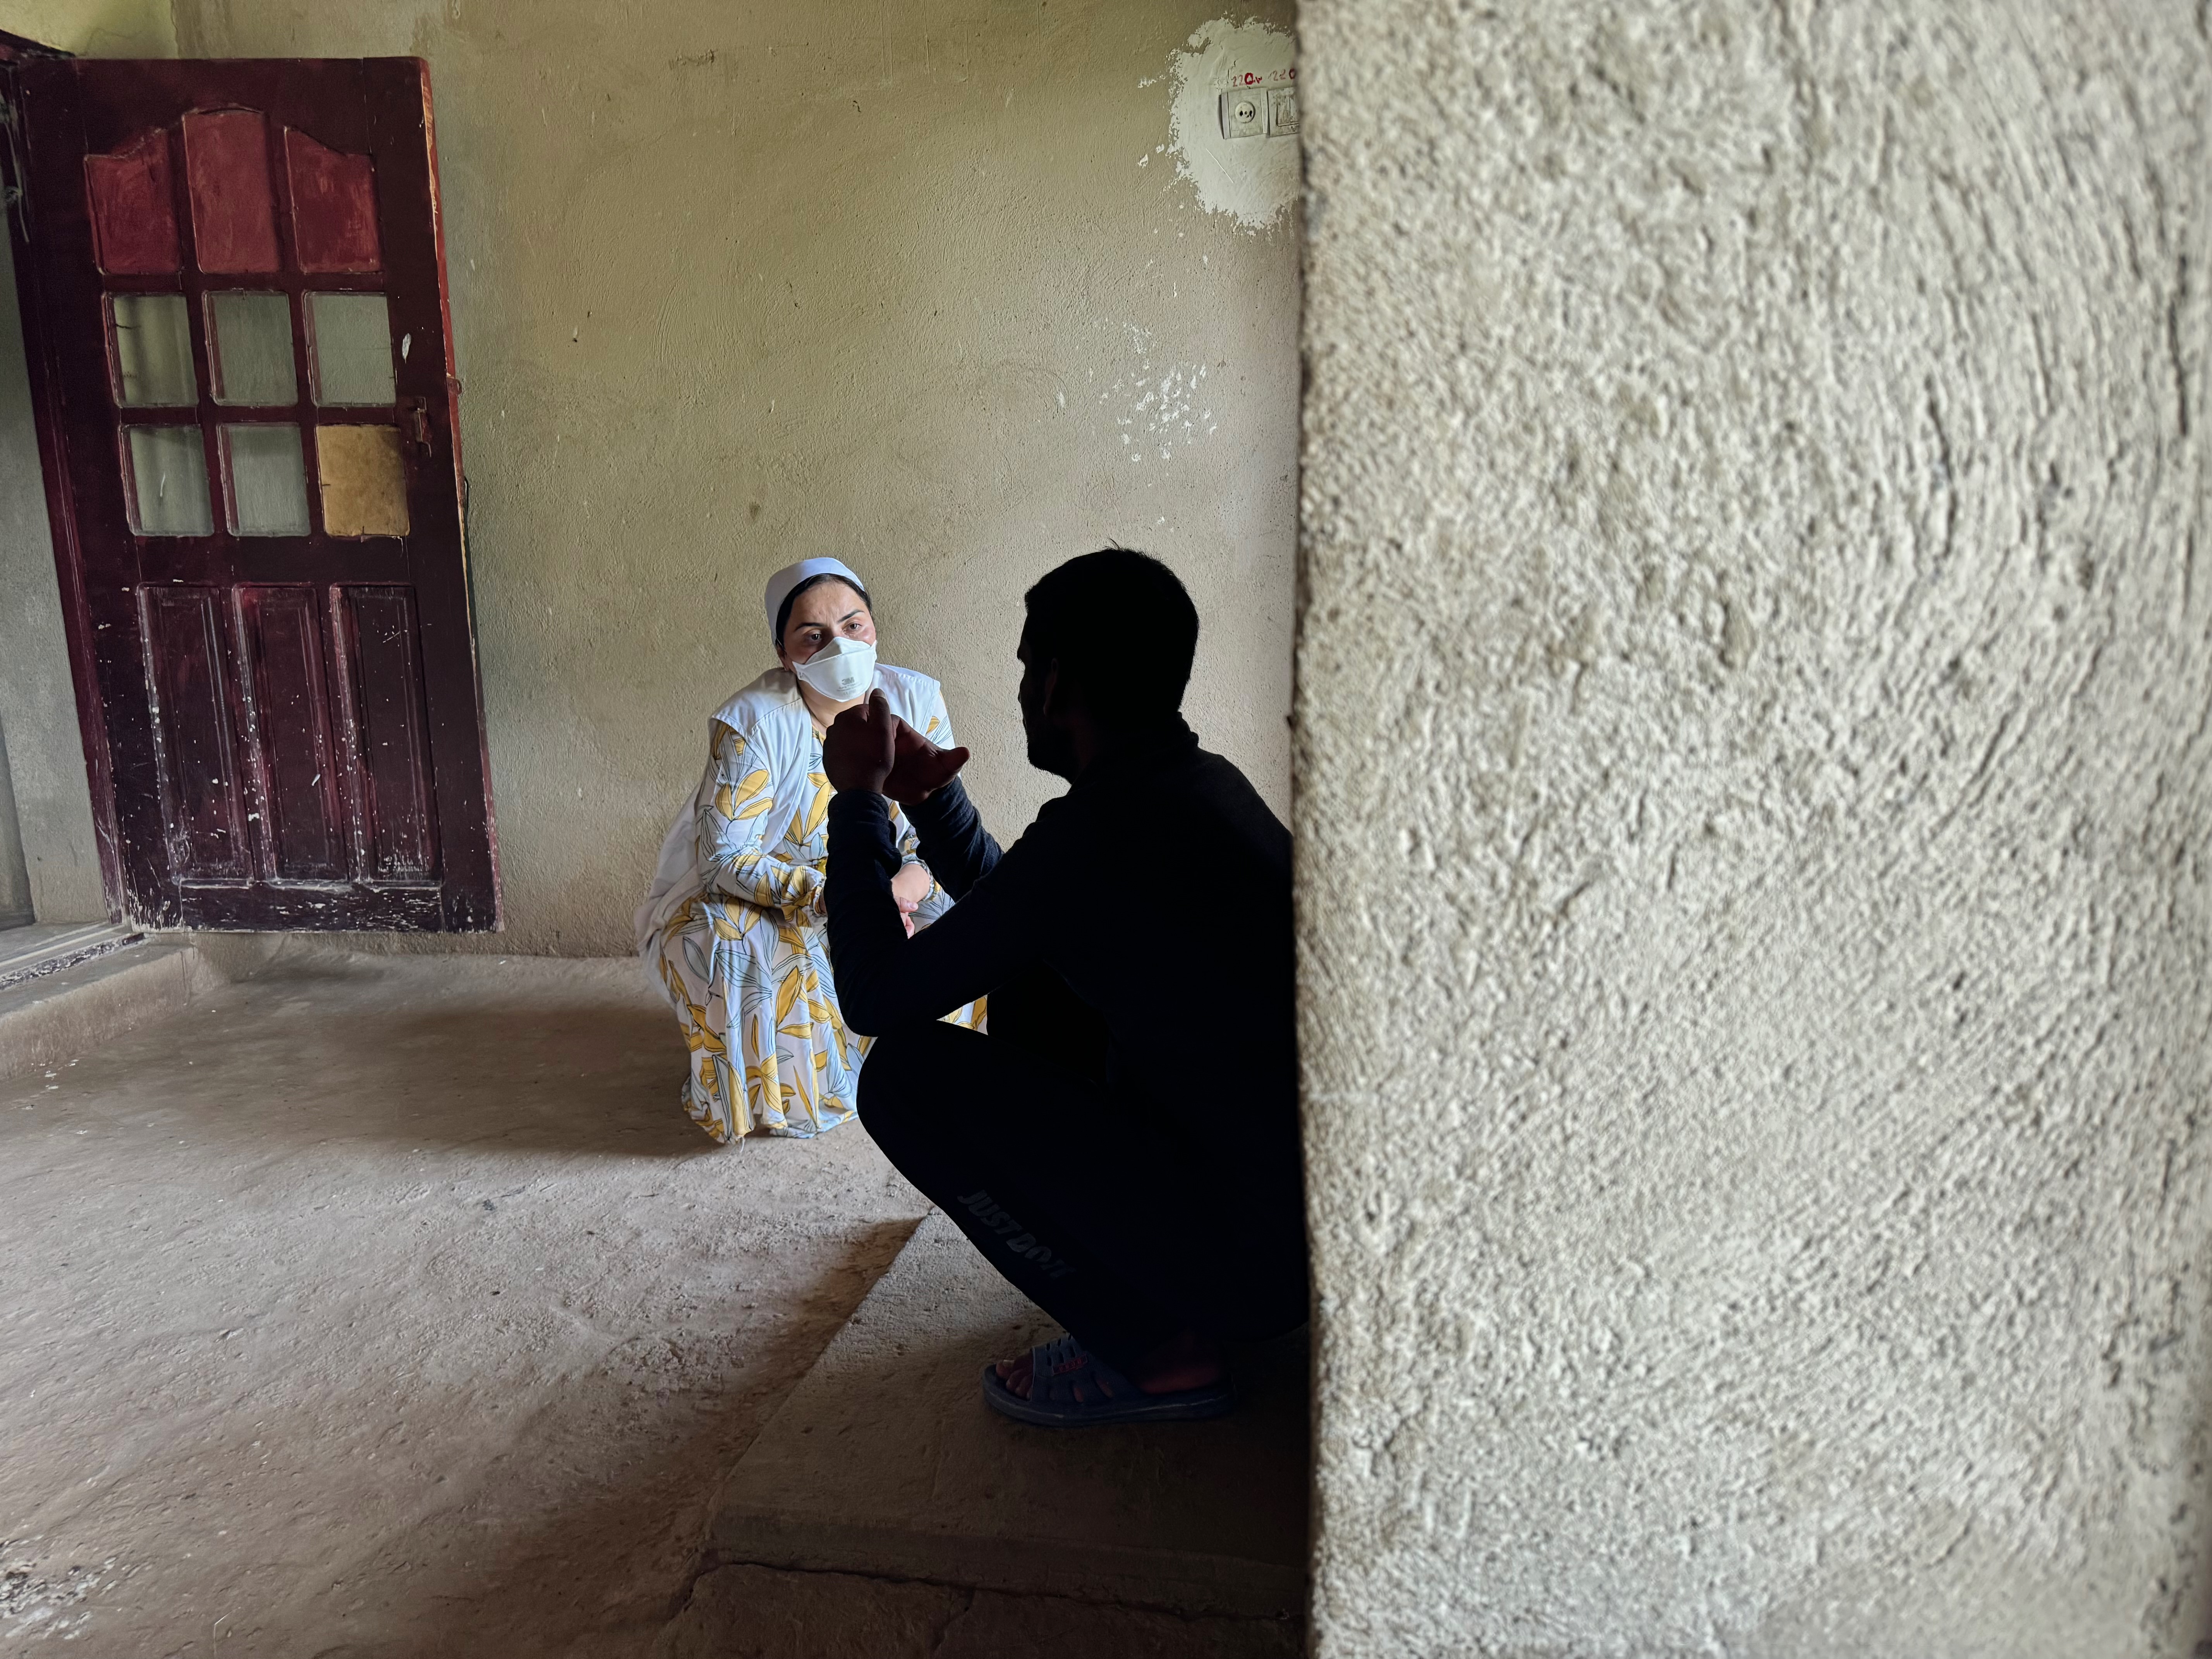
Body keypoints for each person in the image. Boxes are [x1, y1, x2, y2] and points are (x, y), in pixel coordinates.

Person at [819, 547, 1305, 1426]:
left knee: (903, 1080)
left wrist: (857, 800)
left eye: (1024, 667)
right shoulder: (1193, 786)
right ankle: (1153, 1297)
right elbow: (1029, 910)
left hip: (1249, 1270)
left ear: (1053, 686)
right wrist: (931, 802)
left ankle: (1159, 1354)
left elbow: (874, 996)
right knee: (1034, 985)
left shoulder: (1099, 834)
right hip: (1289, 1230)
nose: (1020, 690)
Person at [635, 557, 979, 1143]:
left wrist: (904, 889)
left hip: (888, 885)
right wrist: (844, 899)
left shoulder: (916, 700)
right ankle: (782, 1097)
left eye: (854, 626)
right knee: (735, 943)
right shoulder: (753, 723)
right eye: (812, 637)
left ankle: (922, 1068)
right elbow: (725, 861)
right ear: (783, 653)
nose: (839, 648)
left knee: (970, 921)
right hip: (767, 893)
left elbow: (936, 830)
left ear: (874, 628)